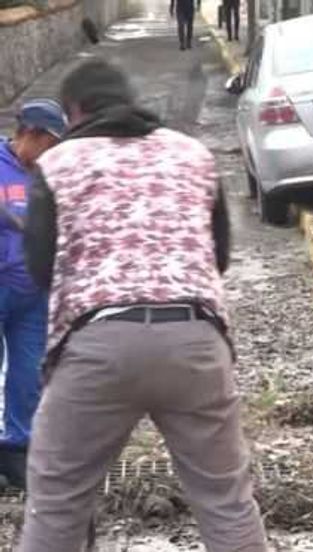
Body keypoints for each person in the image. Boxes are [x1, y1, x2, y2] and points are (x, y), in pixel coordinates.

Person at [18, 58, 267, 551]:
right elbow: (218, 255)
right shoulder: (193, 155)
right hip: (196, 341)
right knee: (226, 500)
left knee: (59, 501)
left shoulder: (59, 163)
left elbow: (41, 268)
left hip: (97, 346)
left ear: (74, 113)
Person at [0, 99, 67, 489]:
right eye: (50, 143)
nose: (53, 153)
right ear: (30, 134)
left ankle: (18, 449)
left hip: (32, 291)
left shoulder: (51, 175)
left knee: (28, 374)